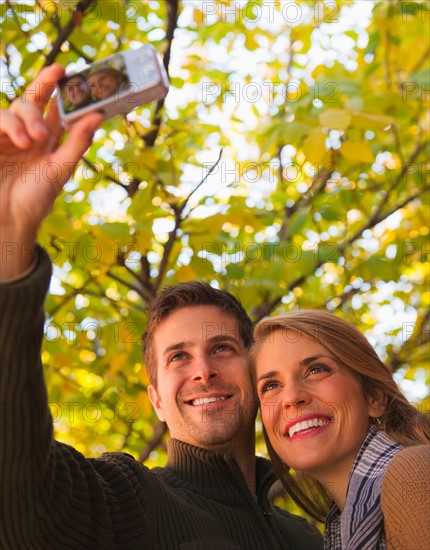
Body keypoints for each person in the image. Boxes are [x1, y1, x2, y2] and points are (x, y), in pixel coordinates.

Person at [0, 65, 323, 549]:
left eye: (222, 349)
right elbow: (22, 503)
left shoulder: (307, 536)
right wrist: (8, 241)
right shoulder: (129, 499)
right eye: (178, 357)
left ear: (257, 374)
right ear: (155, 398)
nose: (203, 371)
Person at [250, 310, 430, 550]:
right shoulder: (339, 528)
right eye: (271, 385)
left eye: (316, 370)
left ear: (374, 397)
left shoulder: (414, 471)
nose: (291, 397)